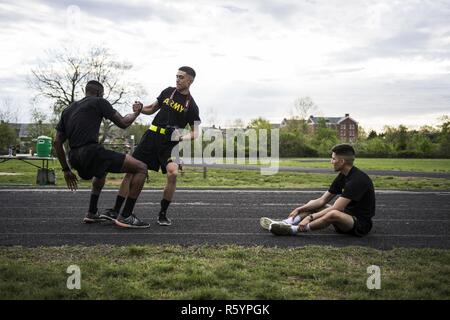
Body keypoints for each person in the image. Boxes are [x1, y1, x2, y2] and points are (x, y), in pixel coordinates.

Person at [103, 66, 201, 226]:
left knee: (173, 173)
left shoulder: (192, 106)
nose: (177, 79)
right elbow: (151, 108)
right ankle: (116, 210)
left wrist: (182, 136)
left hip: (169, 143)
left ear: (190, 80)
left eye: (181, 77)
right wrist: (140, 109)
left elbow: (196, 132)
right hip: (151, 136)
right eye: (176, 76)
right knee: (130, 171)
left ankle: (162, 214)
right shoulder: (168, 92)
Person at [53, 80, 150, 228]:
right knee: (141, 167)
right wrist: (136, 112)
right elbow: (124, 122)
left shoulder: (68, 110)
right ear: (99, 93)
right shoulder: (99, 101)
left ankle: (92, 212)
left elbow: (57, 142)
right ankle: (126, 216)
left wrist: (66, 169)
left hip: (74, 157)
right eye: (102, 94)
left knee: (101, 169)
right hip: (91, 152)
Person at [261, 144, 375, 237]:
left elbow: (337, 208)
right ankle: (285, 223)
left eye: (333, 158)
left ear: (342, 161)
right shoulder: (343, 175)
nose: (331, 161)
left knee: (333, 213)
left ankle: (293, 229)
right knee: (312, 204)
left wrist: (309, 218)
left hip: (359, 224)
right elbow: (322, 200)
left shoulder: (357, 180)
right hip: (345, 215)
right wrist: (299, 209)